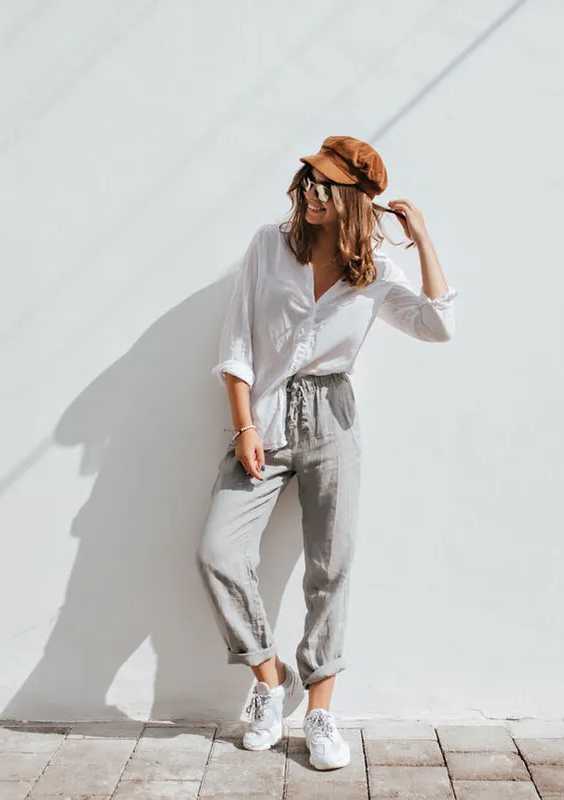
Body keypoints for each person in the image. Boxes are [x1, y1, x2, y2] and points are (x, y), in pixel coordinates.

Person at [196, 135, 456, 770]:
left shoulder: (372, 275)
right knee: (218, 551)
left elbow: (437, 324)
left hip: (333, 418)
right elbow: (237, 344)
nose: (312, 193)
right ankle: (270, 681)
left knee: (329, 568)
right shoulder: (268, 245)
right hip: (264, 415)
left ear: (355, 201)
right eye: (309, 180)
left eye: (329, 187)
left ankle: (319, 711)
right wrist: (244, 428)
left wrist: (420, 238)